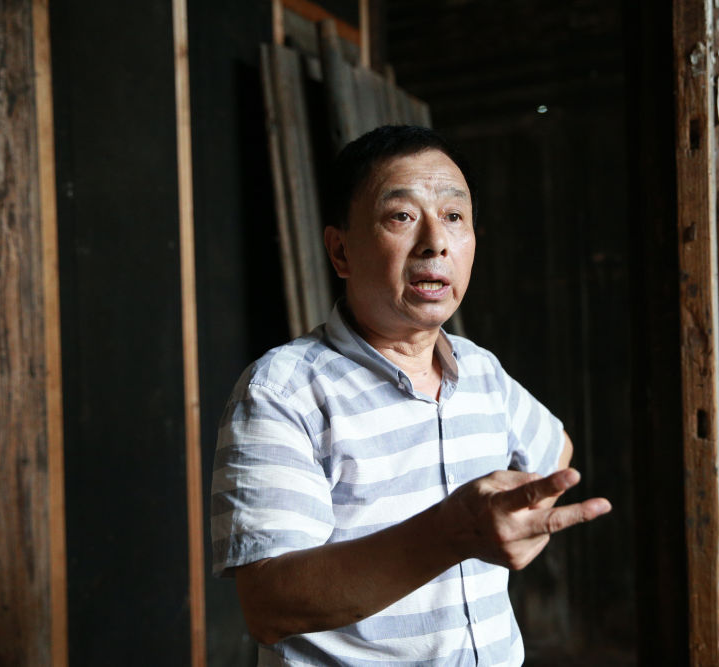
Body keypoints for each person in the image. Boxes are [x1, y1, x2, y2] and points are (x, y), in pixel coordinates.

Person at [210, 125, 611, 666]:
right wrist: (455, 533)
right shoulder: (282, 391)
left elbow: (556, 448)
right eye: (401, 216)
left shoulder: (480, 370)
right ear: (340, 251)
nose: (435, 242)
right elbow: (269, 605)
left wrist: (514, 521)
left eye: (454, 216)